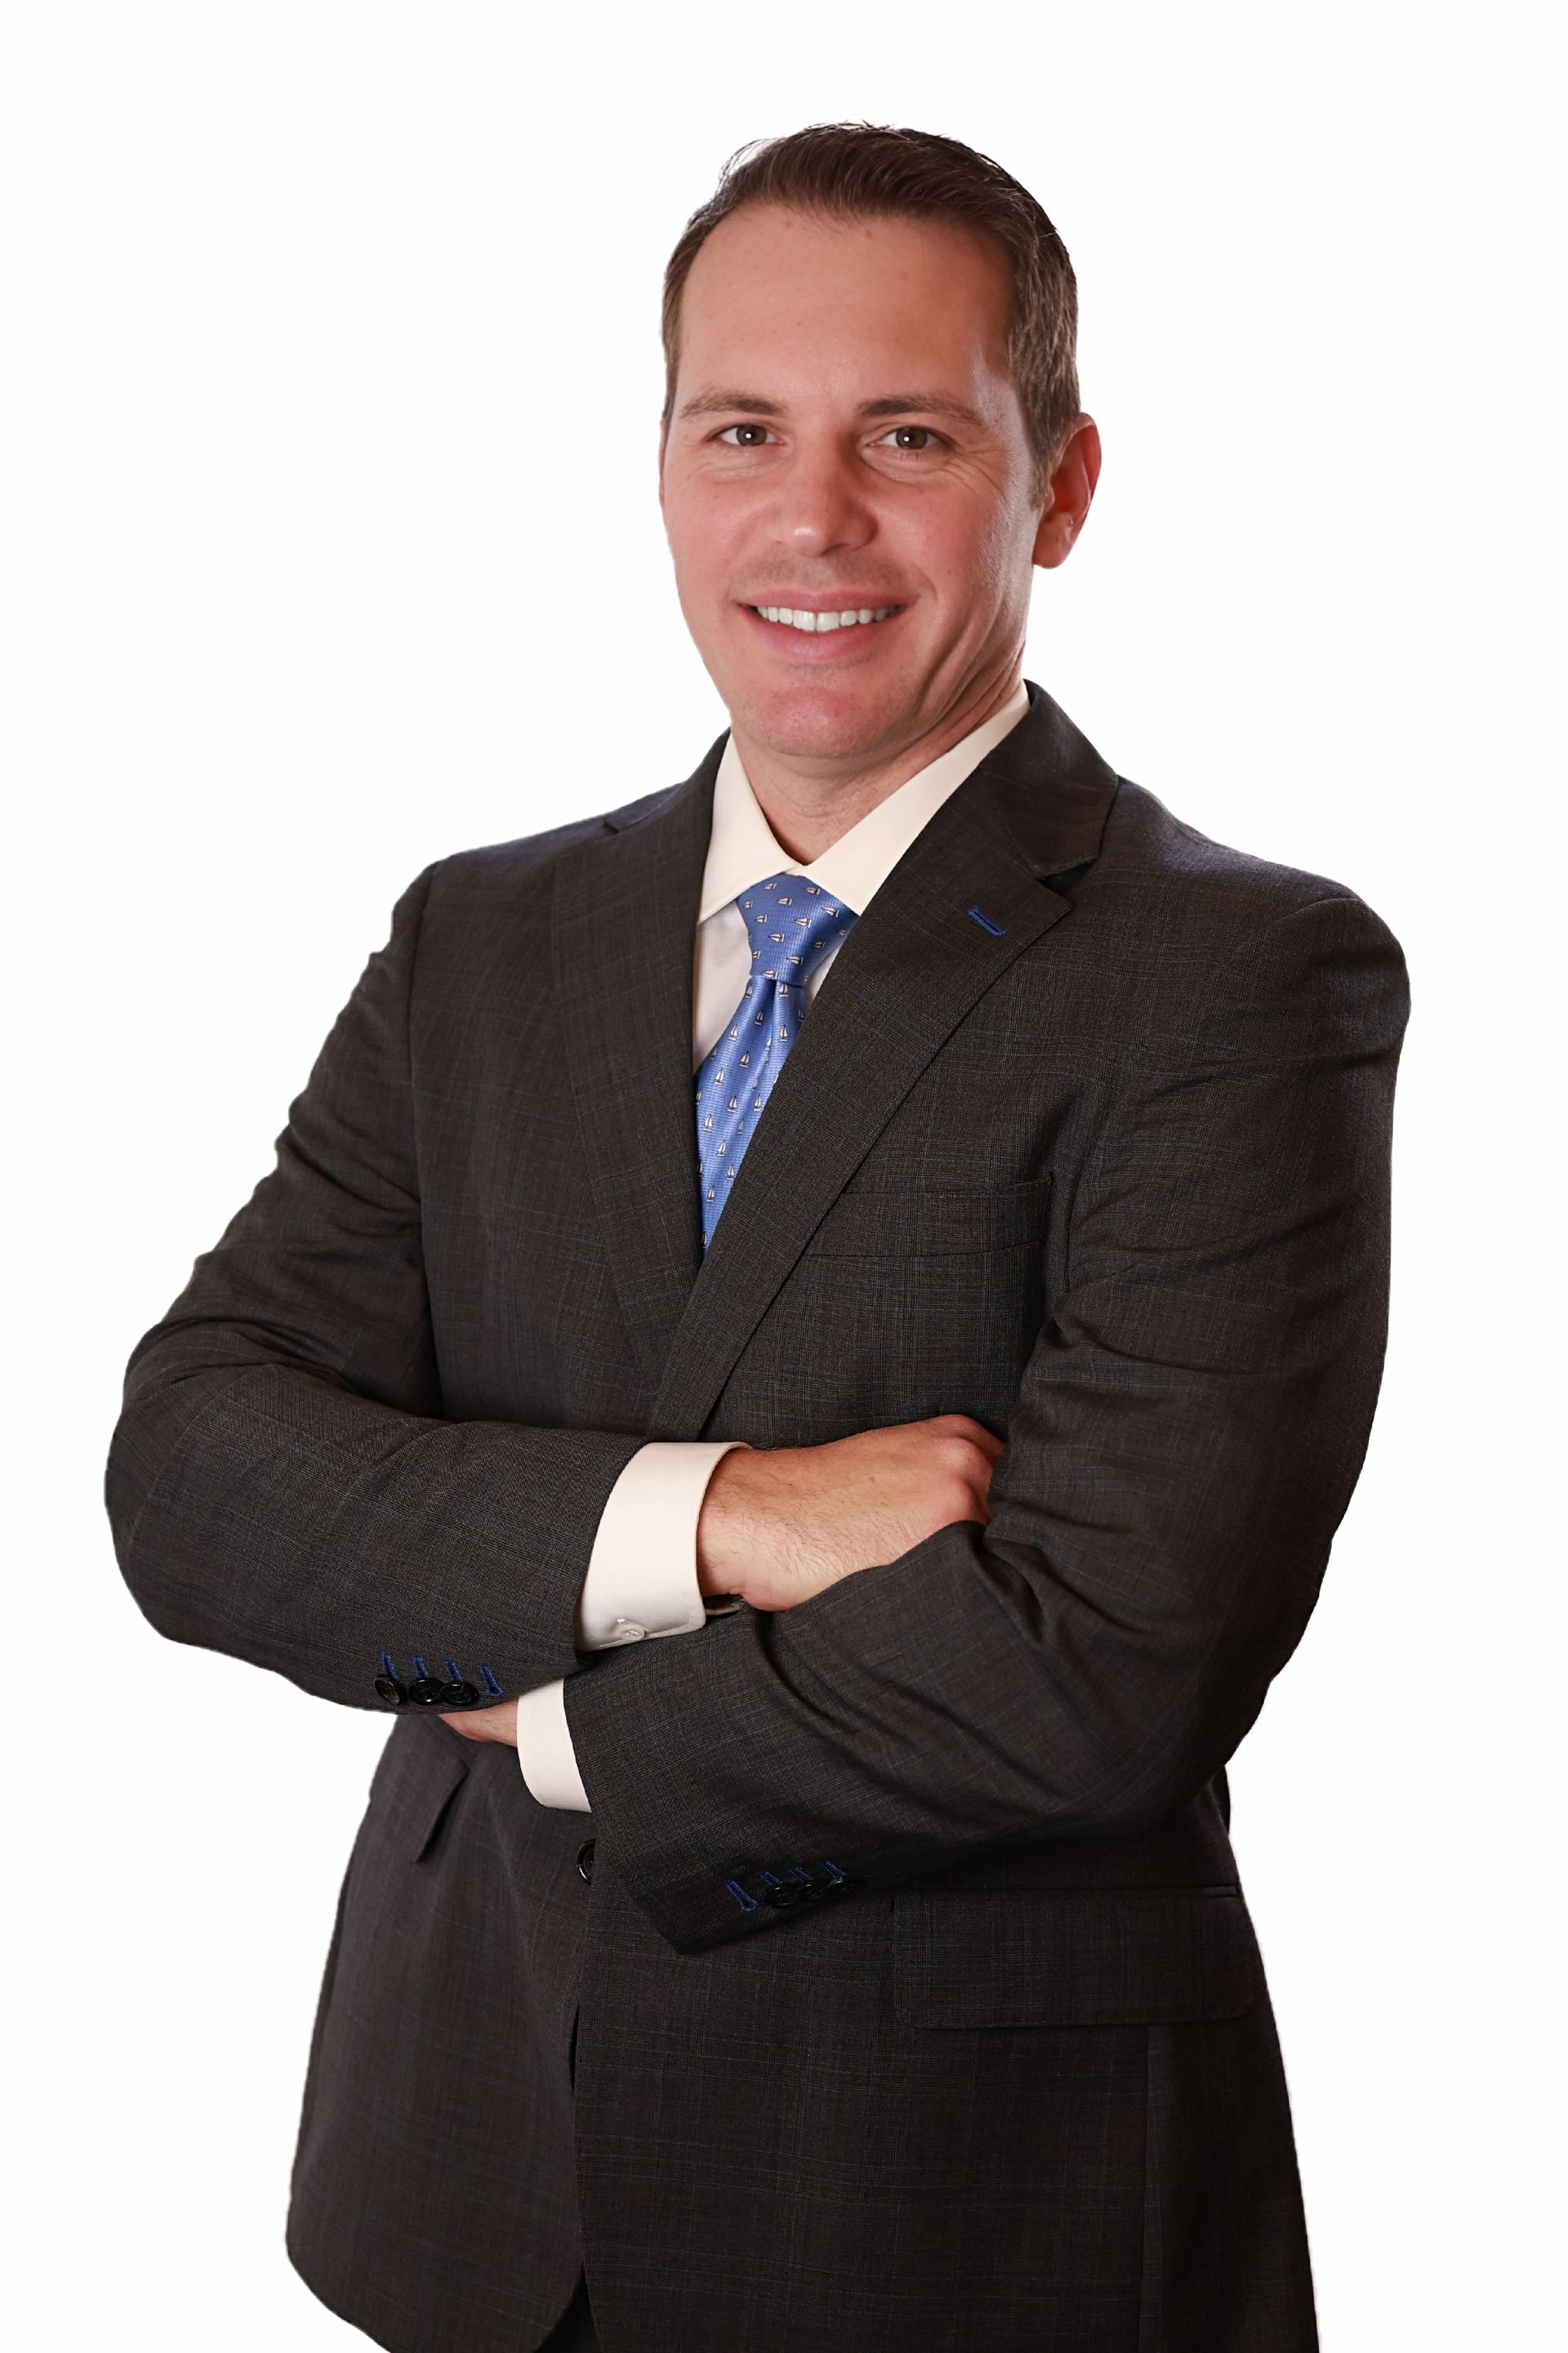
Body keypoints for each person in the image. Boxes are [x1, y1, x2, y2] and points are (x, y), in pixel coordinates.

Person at [106, 123, 1409, 2353]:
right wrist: (723, 1517)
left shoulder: (1242, 979)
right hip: (477, 2163)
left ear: (1060, 486)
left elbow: (1109, 1656)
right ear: (666, 469)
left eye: (907, 436)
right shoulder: (483, 937)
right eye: (744, 431)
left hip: (977, 2215)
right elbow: (199, 1473)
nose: (811, 519)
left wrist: (549, 1719)